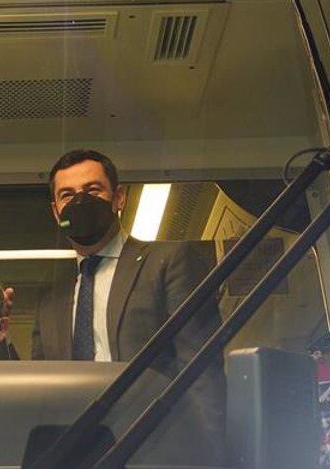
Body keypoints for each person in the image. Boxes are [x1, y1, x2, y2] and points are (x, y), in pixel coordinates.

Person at [29, 149, 224, 422]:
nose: (80, 201)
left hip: (152, 443)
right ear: (56, 211)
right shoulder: (51, 298)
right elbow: (39, 392)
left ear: (118, 197)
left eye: (93, 190)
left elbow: (201, 370)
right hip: (75, 448)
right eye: (67, 195)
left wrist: (206, 458)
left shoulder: (167, 262)